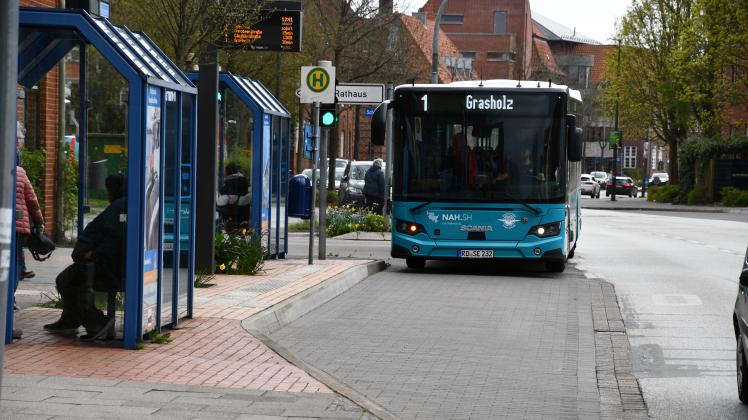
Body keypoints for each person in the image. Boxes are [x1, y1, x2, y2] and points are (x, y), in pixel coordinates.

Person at [44, 174, 127, 341]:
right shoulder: (122, 205)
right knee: (69, 278)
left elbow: (114, 237)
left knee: (69, 279)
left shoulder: (119, 207)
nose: (107, 194)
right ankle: (70, 321)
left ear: (114, 190)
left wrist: (93, 254)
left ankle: (96, 322)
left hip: (107, 267)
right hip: (112, 265)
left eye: (109, 190)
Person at [14, 161, 45, 339]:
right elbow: (31, 199)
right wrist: (39, 221)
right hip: (16, 227)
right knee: (16, 263)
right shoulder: (20, 172)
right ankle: (10, 300)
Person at [216, 163, 250, 232]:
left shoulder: (228, 184)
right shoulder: (245, 182)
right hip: (245, 216)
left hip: (231, 217)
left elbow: (220, 203)